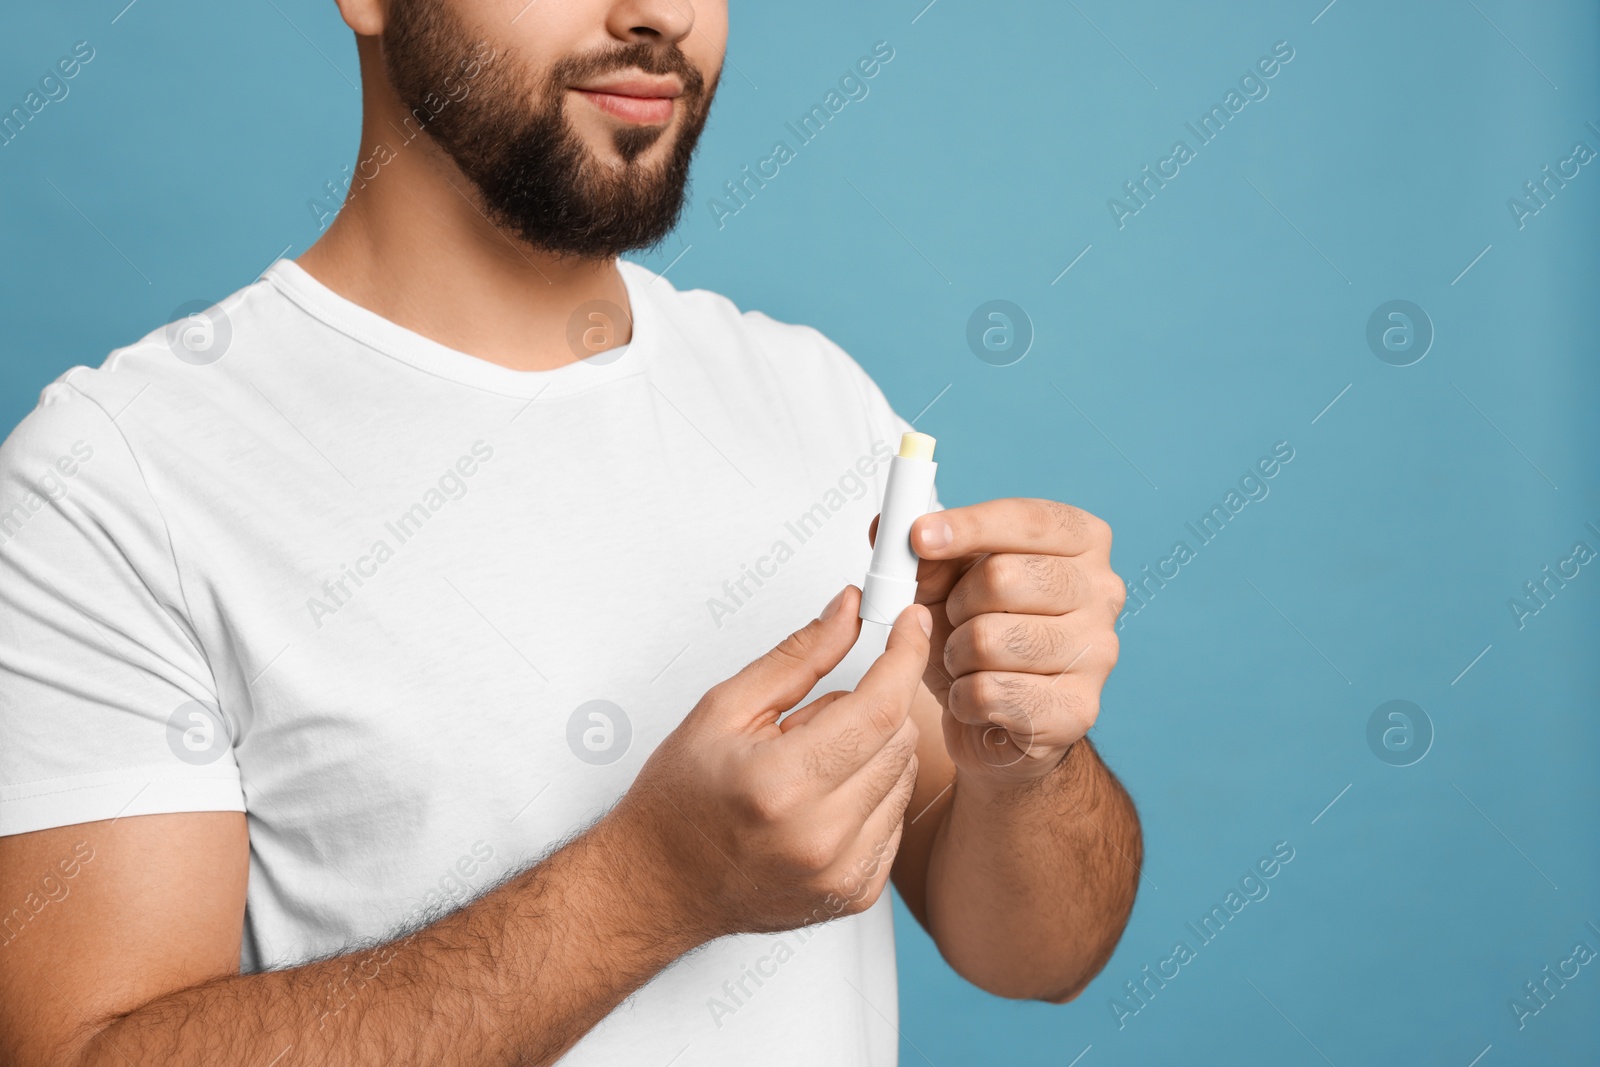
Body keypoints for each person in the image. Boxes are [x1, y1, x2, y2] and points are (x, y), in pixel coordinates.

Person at [0, 2, 1140, 1064]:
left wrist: (1025, 761)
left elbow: (1039, 955)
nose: (664, 15)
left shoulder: (817, 402)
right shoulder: (118, 478)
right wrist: (649, 886)